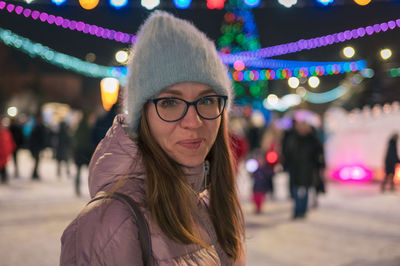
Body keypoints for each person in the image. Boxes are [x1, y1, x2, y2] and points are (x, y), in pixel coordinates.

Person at [60, 11, 245, 265]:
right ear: (141, 114)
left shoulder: (209, 207)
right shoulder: (112, 224)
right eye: (169, 102)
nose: (194, 122)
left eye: (207, 100)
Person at [283, 120, 323, 219]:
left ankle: (303, 210)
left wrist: (319, 165)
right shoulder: (293, 139)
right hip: (295, 169)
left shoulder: (313, 140)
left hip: (308, 169)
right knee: (295, 190)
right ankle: (297, 210)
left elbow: (318, 154)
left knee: (305, 190)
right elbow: (287, 153)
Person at [72, 113, 95, 196]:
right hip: (86, 153)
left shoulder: (78, 128)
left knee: (78, 171)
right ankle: (92, 189)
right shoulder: (88, 129)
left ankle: (77, 188)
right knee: (90, 172)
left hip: (78, 152)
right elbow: (90, 141)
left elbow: (74, 139)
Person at [28, 114, 47, 180]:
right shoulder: (37, 127)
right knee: (37, 161)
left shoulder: (38, 127)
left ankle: (35, 173)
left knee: (37, 161)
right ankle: (34, 173)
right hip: (36, 147)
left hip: (37, 147)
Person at [0, 117, 15, 184]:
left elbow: (9, 143)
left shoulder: (6, 132)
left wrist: (9, 150)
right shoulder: (5, 132)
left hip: (4, 153)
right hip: (2, 153)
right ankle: (4, 177)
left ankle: (4, 178)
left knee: (3, 166)